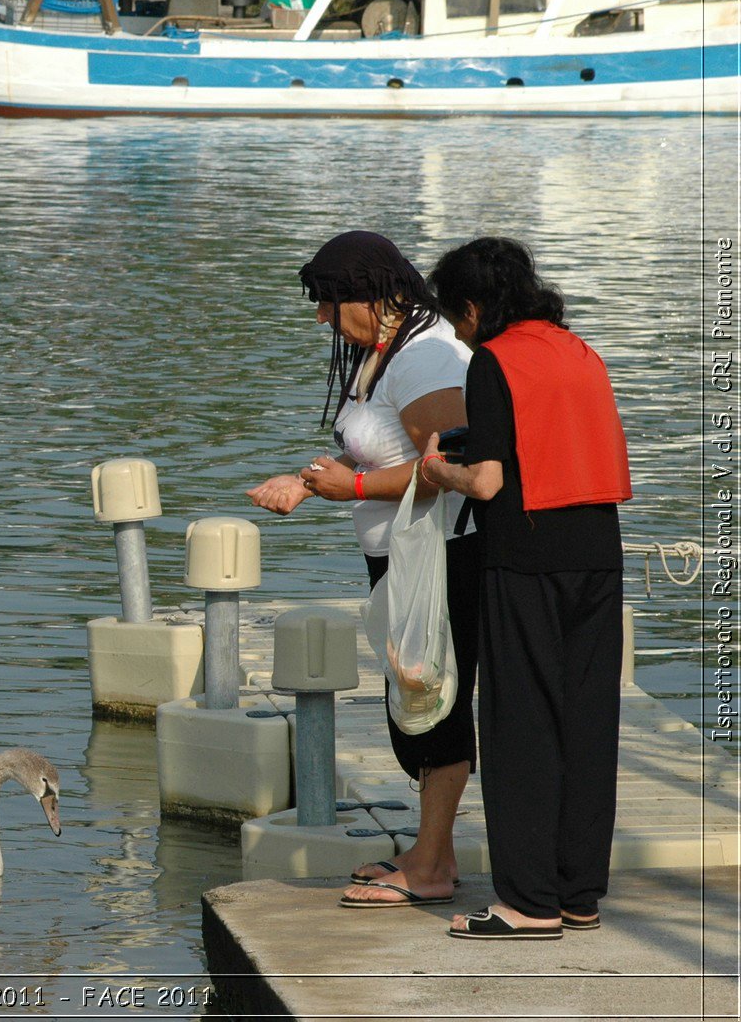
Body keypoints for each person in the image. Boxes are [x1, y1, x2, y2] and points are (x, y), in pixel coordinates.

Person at [248, 230, 480, 909]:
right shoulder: (383, 348)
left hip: (443, 553)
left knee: (432, 700)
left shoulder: (426, 358)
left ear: (371, 296)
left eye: (327, 303)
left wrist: (346, 492)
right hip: (401, 556)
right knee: (414, 701)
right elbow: (375, 448)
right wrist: (305, 481)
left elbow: (445, 467)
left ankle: (432, 866)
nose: (322, 318)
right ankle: (429, 851)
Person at [423, 237, 630, 940]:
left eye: (457, 317)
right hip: (598, 551)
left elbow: (485, 480)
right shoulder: (579, 351)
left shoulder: (493, 359)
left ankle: (529, 902)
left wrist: (436, 472)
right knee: (586, 723)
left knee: (520, 725)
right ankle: (578, 894)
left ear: (476, 308)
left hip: (525, 555)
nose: (457, 331)